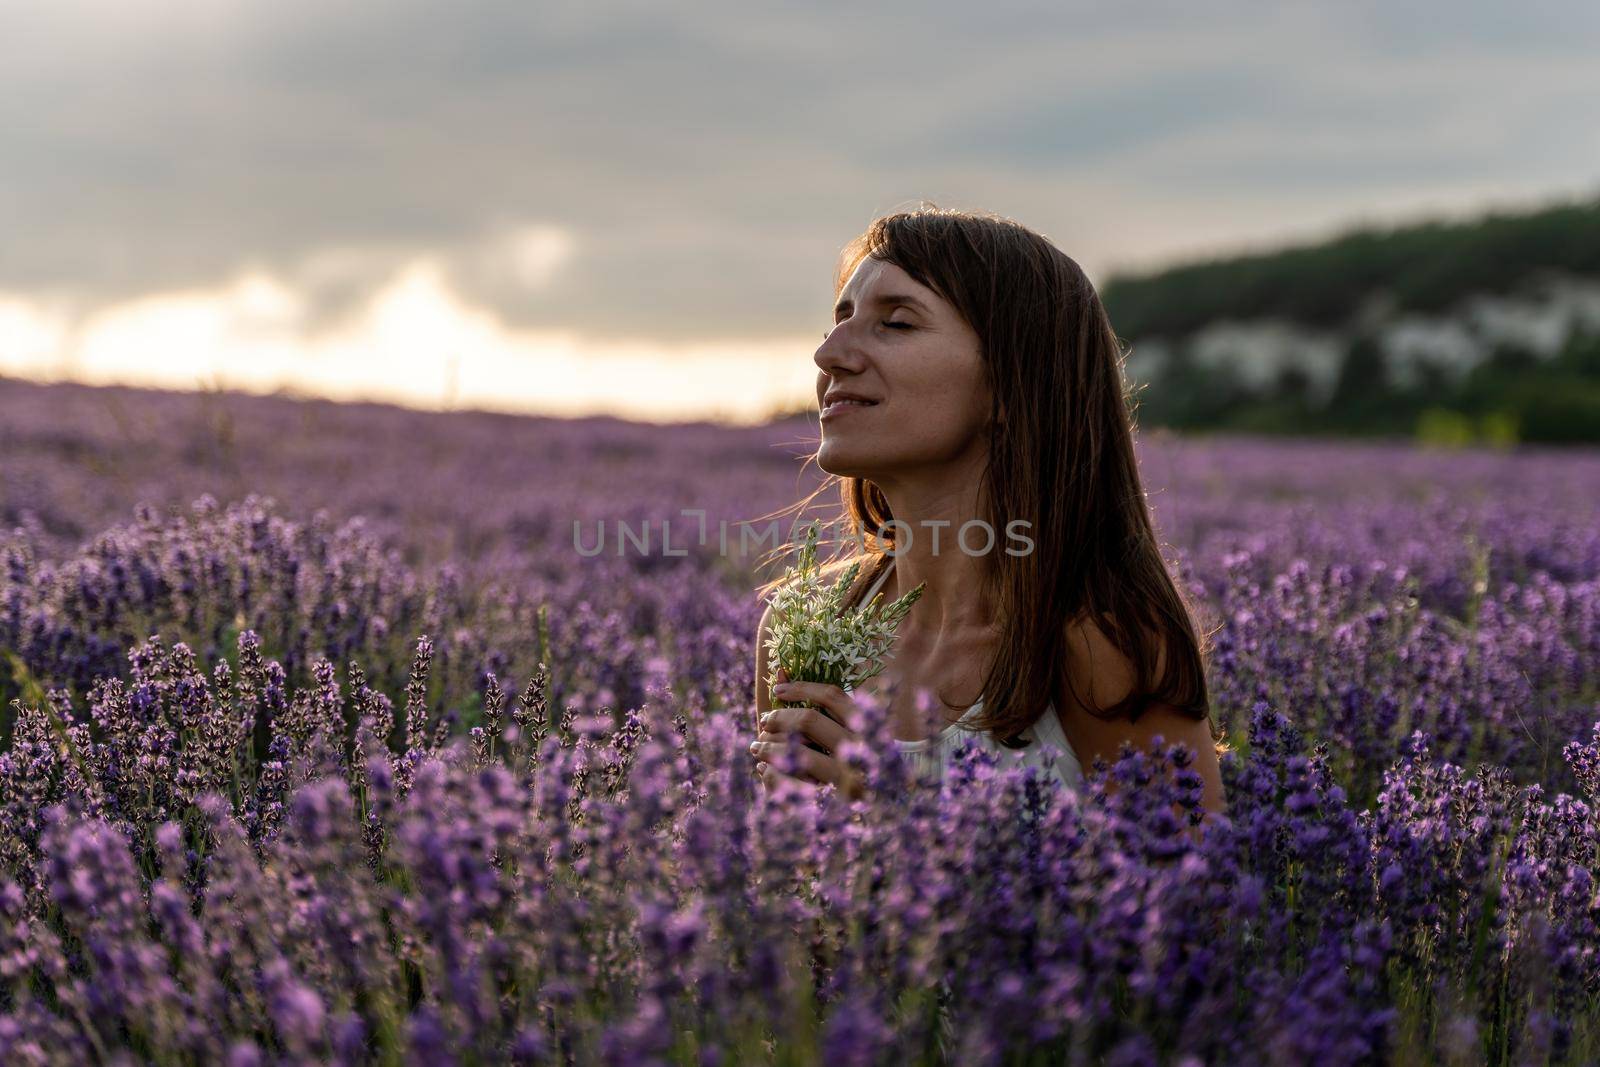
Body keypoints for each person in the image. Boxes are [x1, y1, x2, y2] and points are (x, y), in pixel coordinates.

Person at [748, 204, 1227, 820]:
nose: (829, 355)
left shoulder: (1098, 643)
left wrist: (905, 815)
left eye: (894, 324)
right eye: (838, 320)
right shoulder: (802, 623)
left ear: (1011, 380)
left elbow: (1198, 903)